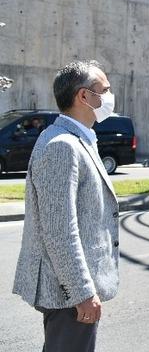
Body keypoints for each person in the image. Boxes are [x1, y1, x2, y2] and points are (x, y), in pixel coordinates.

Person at [12, 60, 120, 352]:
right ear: (84, 96)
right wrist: (82, 292)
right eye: (104, 90)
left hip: (70, 288)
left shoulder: (79, 139)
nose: (109, 96)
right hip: (67, 292)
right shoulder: (62, 145)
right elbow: (60, 230)